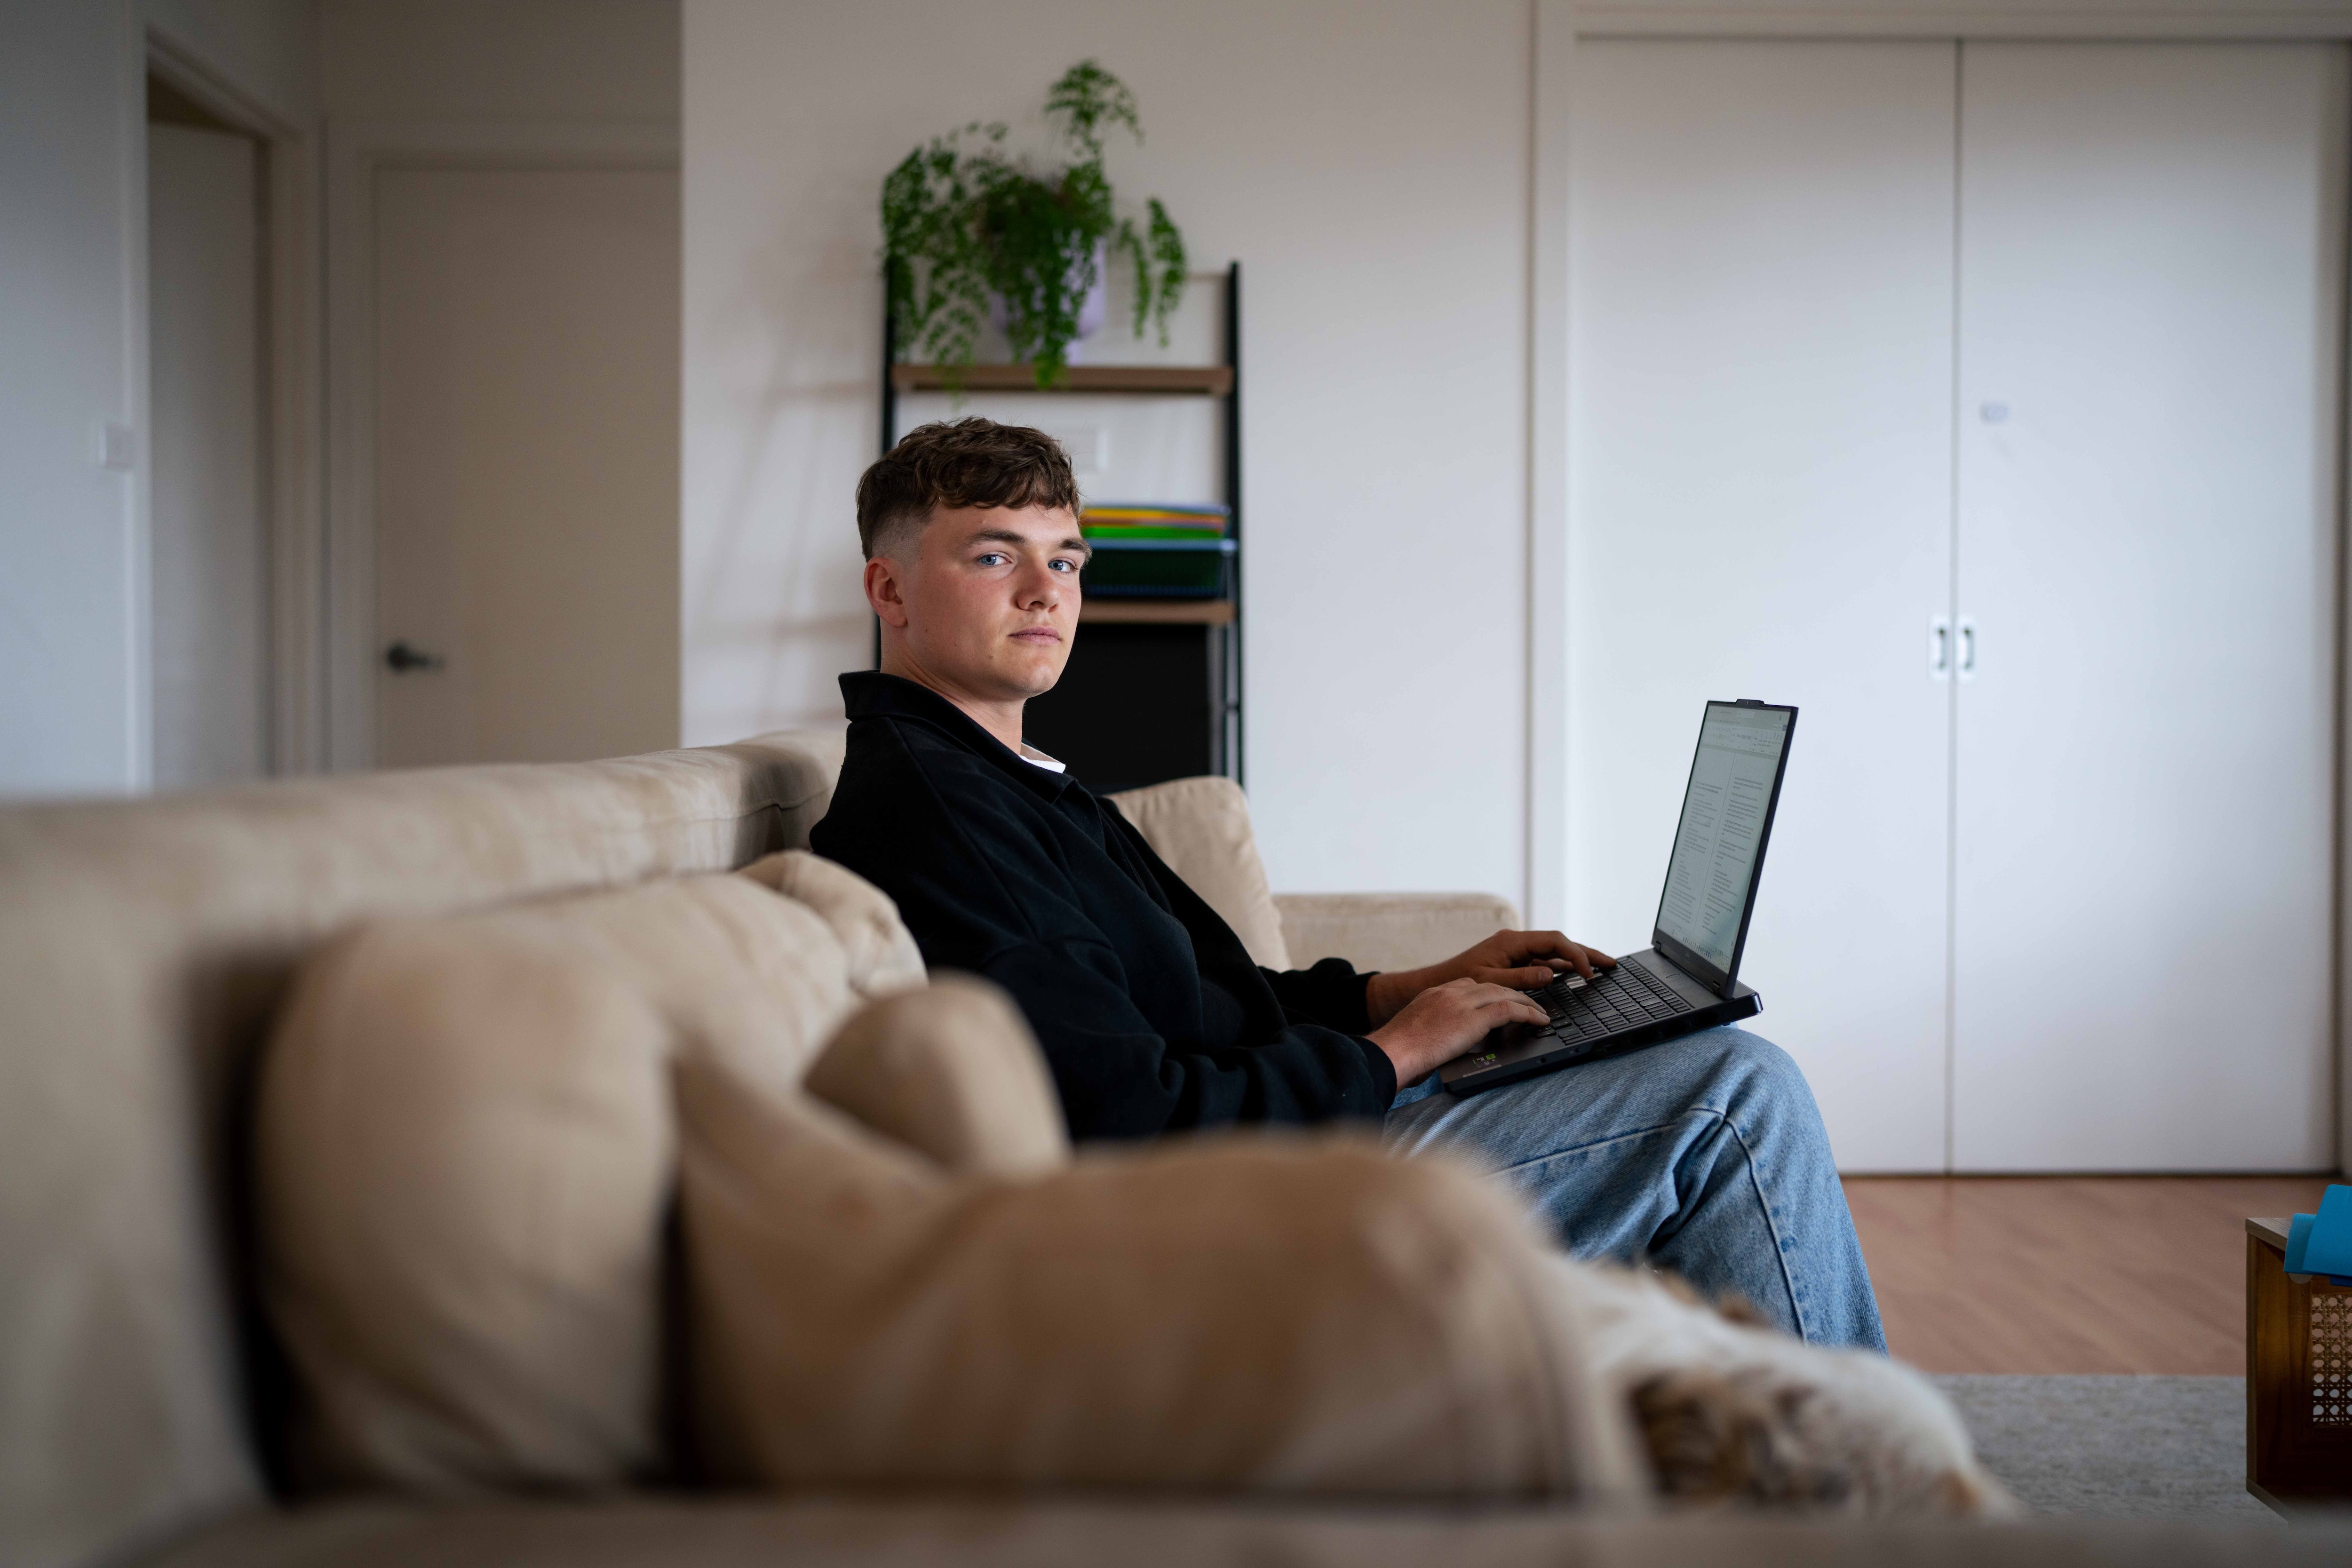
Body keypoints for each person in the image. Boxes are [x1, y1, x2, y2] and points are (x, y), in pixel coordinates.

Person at [810, 418, 1885, 1349]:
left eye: (1069, 559)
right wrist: (1392, 1054)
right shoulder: (943, 814)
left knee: (1690, 1046)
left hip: (1277, 1141)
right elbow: (1127, 1114)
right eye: (996, 557)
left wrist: (1398, 990)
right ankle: (1862, 1507)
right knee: (1736, 1094)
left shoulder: (1014, 779)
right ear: (889, 587)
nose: (1049, 591)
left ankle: (1728, 1449)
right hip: (1223, 1215)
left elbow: (1212, 1002)